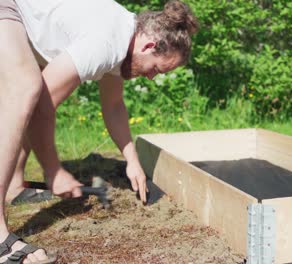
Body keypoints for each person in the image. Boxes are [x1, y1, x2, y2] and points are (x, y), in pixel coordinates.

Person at [0, 0, 198, 262]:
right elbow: (42, 107)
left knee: (32, 88)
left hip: (26, 19)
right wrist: (53, 171)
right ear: (149, 45)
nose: (151, 77)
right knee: (25, 87)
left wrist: (132, 160)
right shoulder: (105, 42)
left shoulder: (126, 38)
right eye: (156, 69)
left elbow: (114, 106)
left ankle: (14, 186)